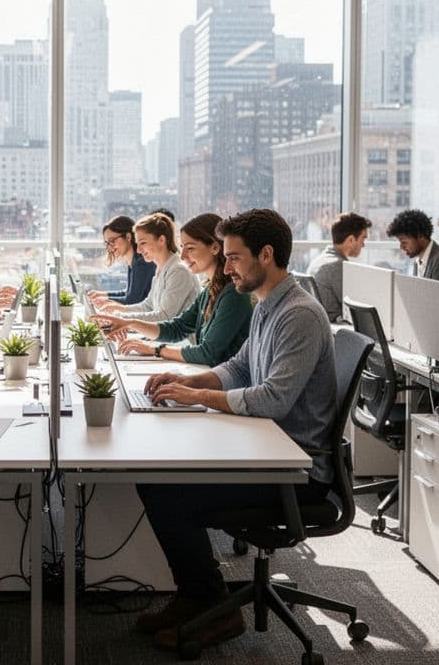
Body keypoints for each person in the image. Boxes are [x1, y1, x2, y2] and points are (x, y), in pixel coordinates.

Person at [129, 209, 338, 651]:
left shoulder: (298, 314)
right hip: (266, 449)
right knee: (155, 477)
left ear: (266, 254)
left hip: (294, 472)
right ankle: (196, 597)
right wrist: (188, 381)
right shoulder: (268, 302)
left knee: (167, 490)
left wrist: (195, 398)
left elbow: (271, 398)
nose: (226, 268)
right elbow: (240, 366)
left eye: (234, 258)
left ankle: (213, 608)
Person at [90, 213, 251, 367]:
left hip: (221, 383)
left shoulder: (232, 294)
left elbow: (207, 353)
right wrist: (128, 322)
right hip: (206, 372)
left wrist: (155, 350)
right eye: (183, 247)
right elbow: (177, 328)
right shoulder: (209, 290)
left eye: (190, 248)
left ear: (215, 248)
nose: (183, 256)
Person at [93, 212, 199, 323]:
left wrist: (121, 318)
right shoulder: (161, 269)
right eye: (137, 244)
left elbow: (164, 316)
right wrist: (119, 311)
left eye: (143, 243)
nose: (138, 250)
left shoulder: (178, 271)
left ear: (161, 240)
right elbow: (148, 306)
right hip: (165, 338)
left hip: (183, 340)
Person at [305, 212, 371, 322]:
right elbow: (357, 308)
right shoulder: (337, 266)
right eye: (363, 239)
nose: (363, 245)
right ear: (351, 240)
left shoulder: (319, 260)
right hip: (336, 329)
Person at [86, 215, 155, 307]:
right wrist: (103, 295)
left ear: (128, 237)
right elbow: (128, 293)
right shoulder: (134, 260)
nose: (109, 247)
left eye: (112, 241)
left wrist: (106, 301)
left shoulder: (141, 263)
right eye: (107, 243)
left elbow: (132, 300)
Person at [387, 208, 439, 284]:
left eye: (404, 242)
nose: (401, 247)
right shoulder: (418, 260)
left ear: (420, 236)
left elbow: (436, 295)